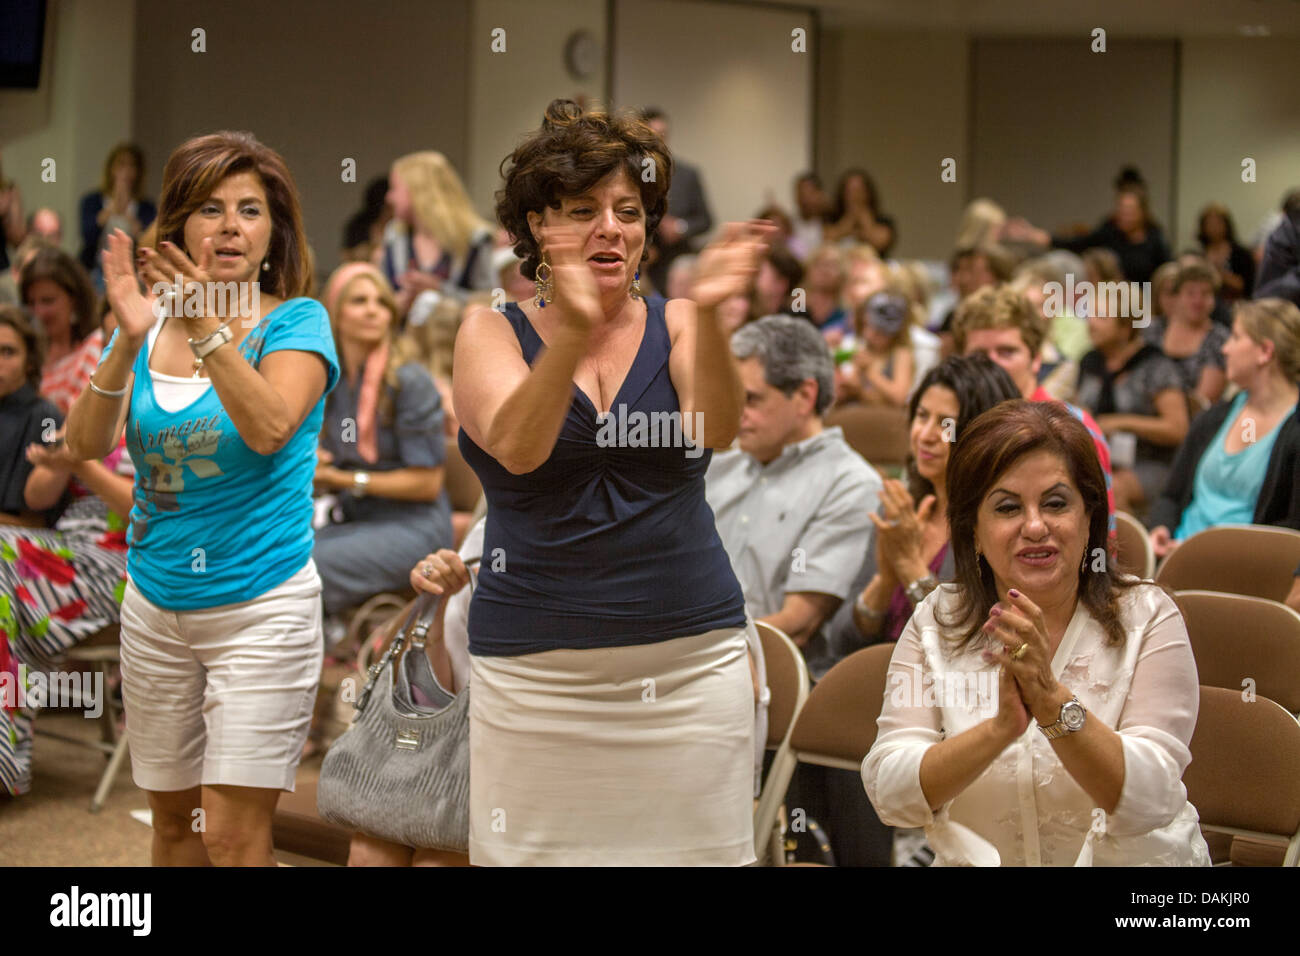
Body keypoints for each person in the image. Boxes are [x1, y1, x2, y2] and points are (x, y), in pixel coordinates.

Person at [454, 98, 770, 866]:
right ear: (537, 226)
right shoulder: (488, 330)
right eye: (582, 209)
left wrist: (723, 322)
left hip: (691, 667)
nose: (612, 228)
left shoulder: (684, 323)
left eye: (629, 211)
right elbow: (521, 449)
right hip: (533, 674)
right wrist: (570, 330)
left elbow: (719, 431)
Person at [64, 130, 339, 866]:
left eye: (250, 211)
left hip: (261, 606)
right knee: (174, 830)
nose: (229, 227)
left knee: (231, 835)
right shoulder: (147, 326)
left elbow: (270, 426)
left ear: (273, 232)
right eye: (210, 208)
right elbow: (85, 443)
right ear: (178, 222)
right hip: (154, 604)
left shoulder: (297, 322)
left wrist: (203, 323)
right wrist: (126, 339)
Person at [862, 400, 1211, 866]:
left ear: (1089, 518)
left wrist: (1050, 701)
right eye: (1007, 507)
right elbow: (891, 793)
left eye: (1056, 503)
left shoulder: (1147, 617)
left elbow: (1151, 800)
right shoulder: (937, 620)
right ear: (973, 533)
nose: (1034, 526)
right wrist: (998, 731)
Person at [703, 314, 882, 866]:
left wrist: (688, 649)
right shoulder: (722, 462)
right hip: (702, 671)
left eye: (751, 398)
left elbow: (800, 622)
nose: (736, 413)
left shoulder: (850, 483)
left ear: (804, 395)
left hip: (773, 691)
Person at [0, 304, 135, 797]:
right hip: (67, 544)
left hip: (129, 555)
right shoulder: (94, 402)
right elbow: (38, 496)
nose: (115, 348)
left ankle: (3, 759)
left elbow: (149, 513)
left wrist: (81, 463)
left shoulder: (175, 408)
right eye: (108, 338)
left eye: (126, 336)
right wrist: (61, 461)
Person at [829, 355, 1022, 653]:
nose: (925, 435)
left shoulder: (1002, 524)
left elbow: (964, 646)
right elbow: (841, 640)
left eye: (945, 424)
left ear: (984, 436)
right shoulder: (898, 507)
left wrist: (910, 568)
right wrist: (883, 584)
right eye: (921, 416)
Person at [313, 262, 452, 620]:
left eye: (381, 302)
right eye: (359, 300)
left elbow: (427, 483)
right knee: (273, 551)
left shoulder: (409, 380)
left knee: (306, 565)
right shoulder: (331, 380)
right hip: (355, 518)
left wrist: (339, 479)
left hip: (414, 527)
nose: (373, 309)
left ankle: (333, 646)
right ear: (335, 313)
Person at [955, 284, 1116, 538]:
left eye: (1007, 351)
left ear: (1036, 359)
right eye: (979, 355)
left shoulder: (1074, 429)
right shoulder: (953, 424)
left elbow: (1101, 544)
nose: (992, 364)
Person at [1147, 298, 1300, 558]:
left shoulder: (1294, 432)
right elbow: (1171, 495)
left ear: (1265, 351)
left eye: (1236, 338)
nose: (1225, 349)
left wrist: (1207, 554)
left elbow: (1291, 530)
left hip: (1244, 569)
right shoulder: (1214, 417)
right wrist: (1160, 528)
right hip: (1177, 556)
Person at [1074, 299, 1188, 517]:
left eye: (1101, 317)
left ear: (1126, 327)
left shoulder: (1155, 365)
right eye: (1090, 315)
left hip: (1152, 462)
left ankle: (1129, 549)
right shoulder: (1090, 362)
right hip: (1099, 458)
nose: (1091, 323)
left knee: (1108, 489)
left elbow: (1177, 429)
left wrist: (1120, 422)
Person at [379, 152, 495, 326]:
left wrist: (439, 290)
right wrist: (397, 305)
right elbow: (381, 300)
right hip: (404, 344)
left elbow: (491, 301)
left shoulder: (475, 238)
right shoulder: (394, 236)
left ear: (418, 191)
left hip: (458, 340)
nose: (389, 197)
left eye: (394, 188)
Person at [1004, 180, 1171, 284]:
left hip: (1144, 304)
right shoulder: (1110, 231)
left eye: (1130, 210)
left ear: (1143, 211)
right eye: (1121, 209)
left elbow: (1165, 274)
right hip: (1112, 300)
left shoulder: (1154, 239)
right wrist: (1034, 235)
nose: (1125, 215)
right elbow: (1078, 243)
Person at [19, 247, 103, 413]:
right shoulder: (27, 354)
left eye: (48, 301)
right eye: (32, 303)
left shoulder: (94, 346)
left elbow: (85, 420)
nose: (39, 312)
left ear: (74, 299)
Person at [642, 107, 714, 294]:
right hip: (644, 261)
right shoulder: (631, 172)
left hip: (677, 260)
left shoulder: (687, 174)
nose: (658, 141)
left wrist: (680, 227)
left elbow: (705, 220)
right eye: (652, 136)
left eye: (662, 135)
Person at [1142, 259, 1228, 409]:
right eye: (1190, 293)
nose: (1197, 301)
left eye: (1206, 293)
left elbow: (1204, 401)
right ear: (1178, 296)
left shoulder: (1218, 338)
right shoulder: (1153, 329)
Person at [78, 143, 157, 279]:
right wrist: (112, 207)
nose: (126, 171)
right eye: (121, 164)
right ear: (111, 168)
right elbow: (87, 236)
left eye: (132, 165)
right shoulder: (92, 201)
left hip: (132, 271)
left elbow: (148, 242)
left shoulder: (146, 207)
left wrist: (128, 213)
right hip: (96, 269)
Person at [840, 290, 914, 408]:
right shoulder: (863, 349)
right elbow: (856, 390)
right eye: (866, 325)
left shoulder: (901, 354)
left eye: (878, 331)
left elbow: (900, 398)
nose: (868, 334)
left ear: (893, 333)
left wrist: (870, 372)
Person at [824, 168, 895, 257]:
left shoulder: (883, 220)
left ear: (868, 193)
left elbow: (879, 242)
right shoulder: (832, 218)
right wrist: (849, 220)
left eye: (858, 191)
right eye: (849, 191)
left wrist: (864, 219)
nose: (854, 196)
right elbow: (826, 240)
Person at [1197, 203, 1254, 302]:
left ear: (1227, 225)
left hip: (1236, 304)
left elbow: (1247, 285)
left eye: (1217, 223)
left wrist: (1219, 273)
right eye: (1209, 223)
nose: (1213, 228)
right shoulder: (1198, 255)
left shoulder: (1241, 254)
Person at [789, 172, 830, 261]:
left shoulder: (829, 220)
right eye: (801, 193)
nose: (805, 198)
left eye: (810, 193)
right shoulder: (789, 223)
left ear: (820, 194)